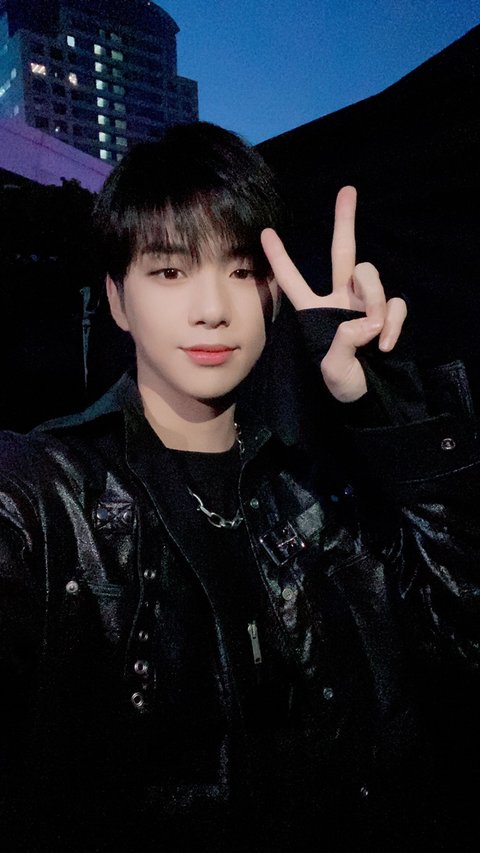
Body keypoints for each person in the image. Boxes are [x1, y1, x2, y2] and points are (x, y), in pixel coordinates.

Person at [0, 121, 479, 853]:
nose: (213, 309)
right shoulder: (41, 492)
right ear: (118, 301)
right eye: (170, 271)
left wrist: (386, 407)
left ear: (274, 295)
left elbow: (461, 642)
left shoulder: (318, 496)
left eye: (242, 270)